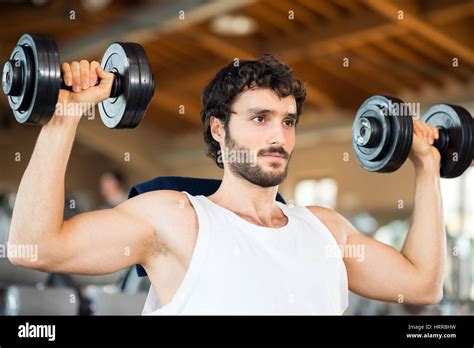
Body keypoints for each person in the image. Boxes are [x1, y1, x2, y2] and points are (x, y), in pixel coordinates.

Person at [8, 54, 445, 315]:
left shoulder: (325, 229)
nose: (279, 137)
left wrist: (427, 168)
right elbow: (35, 246)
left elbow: (423, 284)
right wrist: (65, 115)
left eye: (288, 122)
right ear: (219, 129)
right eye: (260, 119)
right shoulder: (175, 219)